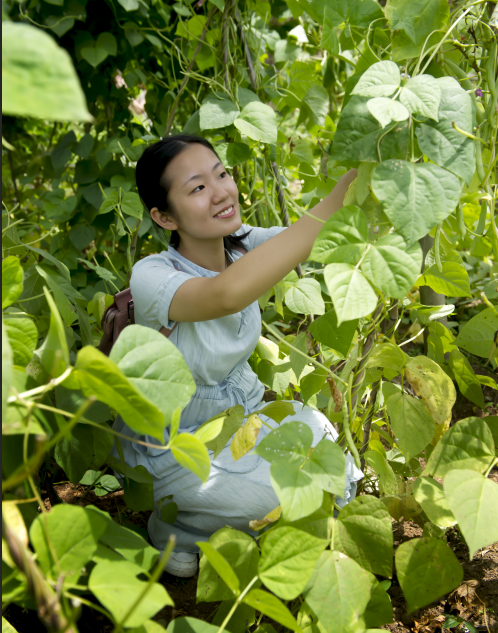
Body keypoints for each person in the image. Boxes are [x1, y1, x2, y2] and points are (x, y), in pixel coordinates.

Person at [111, 134, 362, 577]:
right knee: (277, 501)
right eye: (197, 188)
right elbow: (225, 294)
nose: (222, 191)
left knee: (323, 447)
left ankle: (216, 516)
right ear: (163, 216)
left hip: (239, 418)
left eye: (221, 174)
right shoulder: (153, 274)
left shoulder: (243, 244)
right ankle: (175, 528)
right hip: (176, 444)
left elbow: (316, 239)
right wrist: (337, 197)